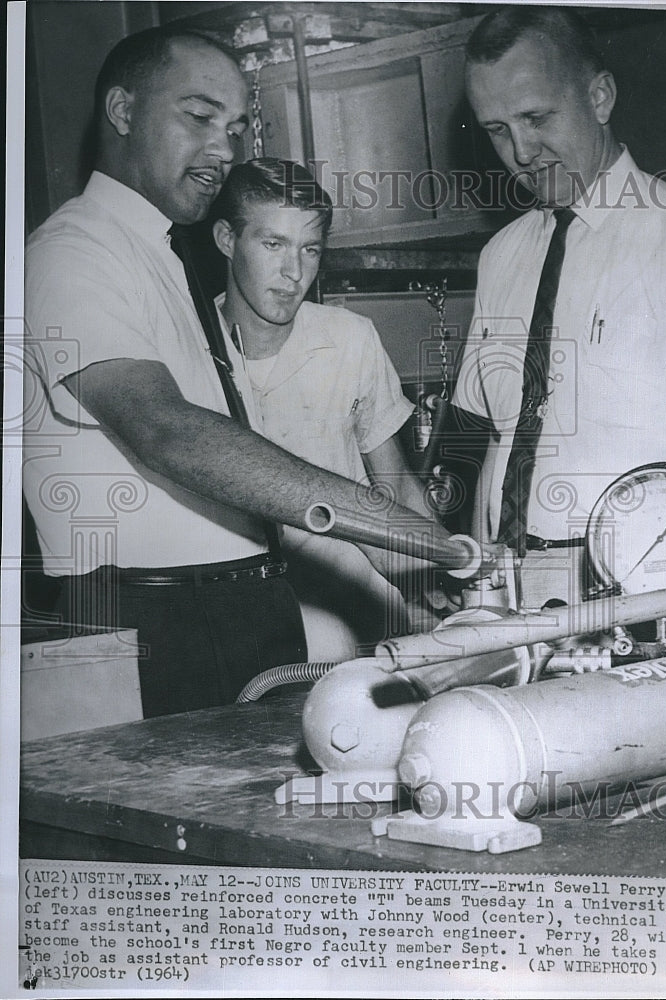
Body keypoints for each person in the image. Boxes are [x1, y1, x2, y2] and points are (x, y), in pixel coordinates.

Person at [22, 26, 437, 718]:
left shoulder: (165, 257)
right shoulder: (72, 254)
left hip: (240, 607)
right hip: (151, 620)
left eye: (237, 127)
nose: (224, 149)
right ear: (123, 112)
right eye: (199, 117)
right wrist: (382, 520)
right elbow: (165, 430)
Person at [452, 5, 666, 608]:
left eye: (535, 117)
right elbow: (500, 441)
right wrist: (483, 601)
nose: (520, 151)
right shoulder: (501, 257)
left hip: (652, 604)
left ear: (600, 97)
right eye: (496, 128)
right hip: (516, 600)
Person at [209, 159, 438, 658]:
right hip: (246, 620)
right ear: (227, 239)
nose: (294, 273)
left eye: (309, 250)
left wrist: (445, 570)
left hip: (363, 616)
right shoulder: (190, 347)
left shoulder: (349, 338)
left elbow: (394, 483)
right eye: (273, 245)